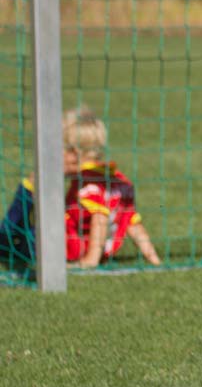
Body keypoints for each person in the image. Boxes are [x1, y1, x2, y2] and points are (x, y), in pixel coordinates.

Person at [1, 107, 162, 270]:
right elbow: (131, 220)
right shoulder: (119, 180)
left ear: (74, 152)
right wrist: (152, 257)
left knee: (19, 238)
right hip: (74, 242)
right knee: (33, 186)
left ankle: (4, 238)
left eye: (58, 147)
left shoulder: (90, 187)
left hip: (63, 246)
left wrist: (91, 259)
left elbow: (100, 219)